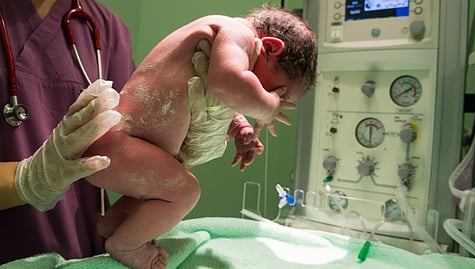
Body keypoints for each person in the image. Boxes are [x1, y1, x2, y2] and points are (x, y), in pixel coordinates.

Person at [84, 6, 318, 269]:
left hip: (131, 149)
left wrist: (239, 126)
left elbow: (209, 100)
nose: (267, 98)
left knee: (165, 188)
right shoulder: (236, 31)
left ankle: (117, 224)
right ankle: (127, 245)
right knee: (185, 192)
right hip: (121, 142)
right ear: (270, 48)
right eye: (275, 91)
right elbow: (228, 82)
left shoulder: (219, 54)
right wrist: (268, 106)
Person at [0, 0, 135, 264]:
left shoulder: (105, 28)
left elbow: (138, 140)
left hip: (80, 256)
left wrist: (201, 120)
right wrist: (27, 179)